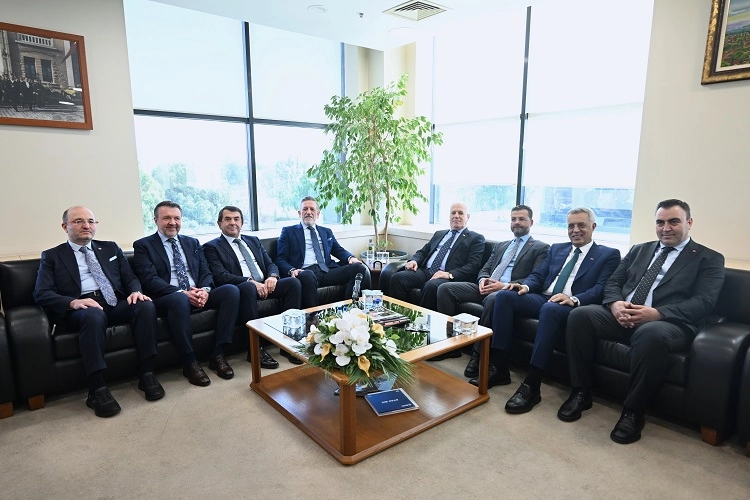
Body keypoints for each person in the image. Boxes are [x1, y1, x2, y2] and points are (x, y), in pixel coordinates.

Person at [560, 199, 725, 444]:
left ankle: (633, 411)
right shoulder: (639, 249)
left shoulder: (708, 258)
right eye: (660, 222)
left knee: (650, 333)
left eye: (673, 221)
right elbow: (614, 282)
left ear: (689, 222)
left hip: (669, 322)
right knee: (579, 315)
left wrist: (657, 313)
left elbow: (704, 302)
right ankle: (580, 391)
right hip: (622, 313)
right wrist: (615, 304)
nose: (666, 228)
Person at [477, 208, 620, 413]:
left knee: (550, 309)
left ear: (593, 227)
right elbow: (539, 275)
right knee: (504, 296)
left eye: (581, 225)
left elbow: (600, 288)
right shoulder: (557, 248)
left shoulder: (608, 254)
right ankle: (499, 367)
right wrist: (524, 286)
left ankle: (532, 384)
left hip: (571, 304)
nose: (575, 230)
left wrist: (573, 299)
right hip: (545, 296)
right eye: (571, 226)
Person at [33, 206, 164, 418]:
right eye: (78, 221)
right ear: (65, 226)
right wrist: (73, 302)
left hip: (114, 301)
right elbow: (41, 293)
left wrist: (135, 291)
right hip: (82, 307)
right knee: (94, 315)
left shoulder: (110, 248)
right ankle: (97, 388)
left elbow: (129, 277)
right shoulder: (52, 256)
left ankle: (147, 373)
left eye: (91, 221)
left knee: (145, 305)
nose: (86, 225)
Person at [132, 201, 240, 386]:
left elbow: (205, 271)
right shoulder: (143, 245)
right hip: (168, 297)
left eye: (176, 218)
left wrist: (205, 290)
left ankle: (218, 354)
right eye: (166, 218)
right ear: (156, 220)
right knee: (179, 299)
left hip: (196, 291)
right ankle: (190, 362)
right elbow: (149, 279)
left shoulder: (192, 242)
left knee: (231, 291)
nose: (172, 222)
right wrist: (182, 292)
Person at [436, 205, 549, 371]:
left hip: (507, 291)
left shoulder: (541, 248)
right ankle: (450, 345)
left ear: (531, 222)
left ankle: (478, 355)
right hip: (486, 287)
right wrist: (482, 279)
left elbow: (536, 277)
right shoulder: (501, 245)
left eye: (521, 219)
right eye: (513, 219)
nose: (517, 222)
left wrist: (503, 286)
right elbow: (486, 268)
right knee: (445, 289)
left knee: (493, 299)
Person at [203, 206, 303, 368]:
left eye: (236, 219)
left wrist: (272, 276)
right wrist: (250, 281)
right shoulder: (211, 247)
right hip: (242, 287)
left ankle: (289, 342)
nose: (232, 223)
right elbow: (220, 275)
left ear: (242, 223)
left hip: (265, 284)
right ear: (219, 223)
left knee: (293, 283)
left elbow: (270, 263)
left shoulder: (253, 240)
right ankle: (255, 349)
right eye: (227, 219)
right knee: (248, 287)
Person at [275, 196, 370, 308]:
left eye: (312, 209)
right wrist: (292, 270)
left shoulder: (326, 232)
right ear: (299, 213)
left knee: (359, 268)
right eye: (305, 209)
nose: (308, 212)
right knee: (307, 275)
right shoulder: (288, 231)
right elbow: (280, 259)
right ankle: (313, 316)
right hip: (304, 272)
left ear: (318, 214)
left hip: (326, 271)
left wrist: (351, 258)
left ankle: (350, 310)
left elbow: (338, 250)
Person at [389, 202, 486, 311]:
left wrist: (448, 274)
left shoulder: (475, 238)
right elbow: (423, 252)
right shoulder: (439, 234)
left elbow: (473, 266)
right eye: (453, 213)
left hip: (447, 277)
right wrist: (414, 261)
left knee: (431, 286)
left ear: (467, 217)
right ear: (449, 216)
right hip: (426, 271)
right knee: (398, 278)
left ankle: (423, 321)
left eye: (460, 213)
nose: (456, 216)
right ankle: (397, 316)